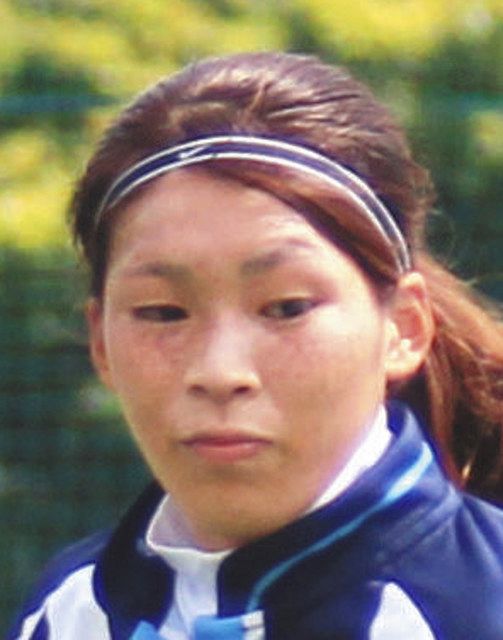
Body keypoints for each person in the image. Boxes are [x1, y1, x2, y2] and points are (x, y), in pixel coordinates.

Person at [9, 52, 503, 640]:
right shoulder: (66, 614)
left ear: (404, 327)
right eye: (163, 312)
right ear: (100, 343)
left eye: (287, 307)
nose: (220, 372)